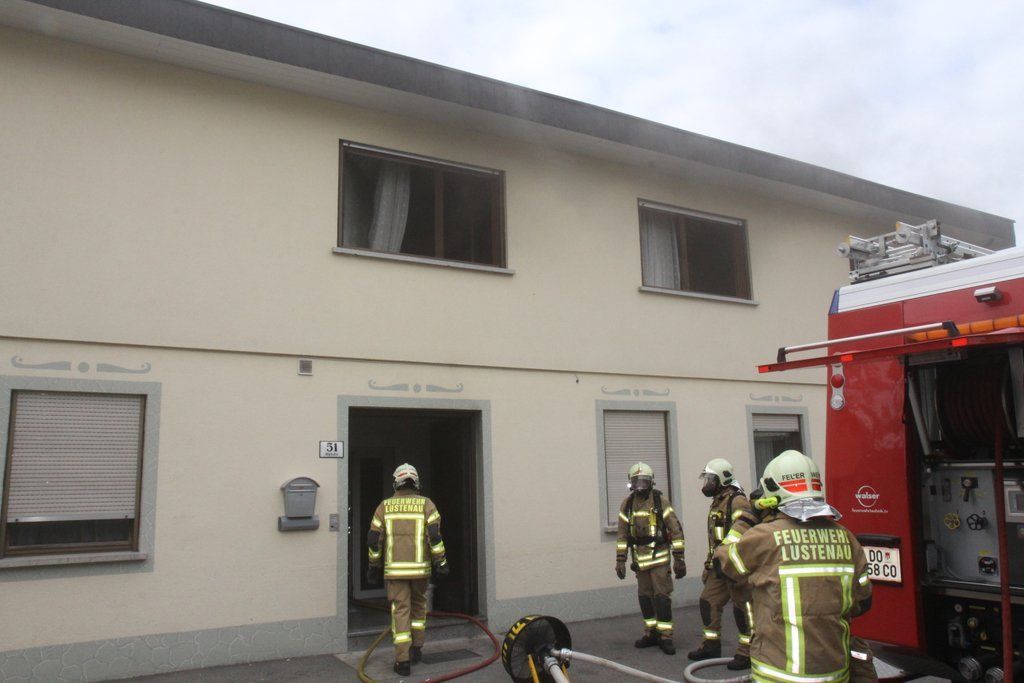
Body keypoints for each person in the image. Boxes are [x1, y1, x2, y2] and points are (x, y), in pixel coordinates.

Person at [715, 450, 873, 683]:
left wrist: (747, 518)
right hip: (834, 673)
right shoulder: (846, 537)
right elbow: (864, 602)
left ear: (771, 494)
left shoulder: (764, 536)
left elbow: (722, 565)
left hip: (776, 675)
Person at [367, 463, 449, 677]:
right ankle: (417, 649)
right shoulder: (427, 504)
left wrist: (373, 566)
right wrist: (441, 562)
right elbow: (435, 537)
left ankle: (402, 661)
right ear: (416, 482)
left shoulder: (384, 506)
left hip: (395, 572)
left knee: (400, 611)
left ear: (396, 483)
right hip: (421, 571)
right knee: (419, 607)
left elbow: (374, 540)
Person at [688, 458, 759, 670]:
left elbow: (743, 528)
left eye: (711, 479)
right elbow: (715, 540)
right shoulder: (718, 501)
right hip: (719, 566)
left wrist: (726, 553)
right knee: (708, 601)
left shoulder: (737, 500)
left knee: (742, 609)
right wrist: (709, 564)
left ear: (723, 479)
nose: (707, 484)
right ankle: (711, 645)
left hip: (736, 565)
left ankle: (748, 651)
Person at [615, 462, 686, 655]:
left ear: (651, 482)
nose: (640, 486)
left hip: (659, 559)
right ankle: (651, 632)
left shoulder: (660, 502)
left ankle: (666, 636)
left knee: (662, 598)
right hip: (640, 562)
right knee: (645, 598)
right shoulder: (627, 505)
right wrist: (620, 560)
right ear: (631, 483)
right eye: (636, 482)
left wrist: (679, 558)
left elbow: (675, 530)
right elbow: (622, 535)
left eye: (644, 482)